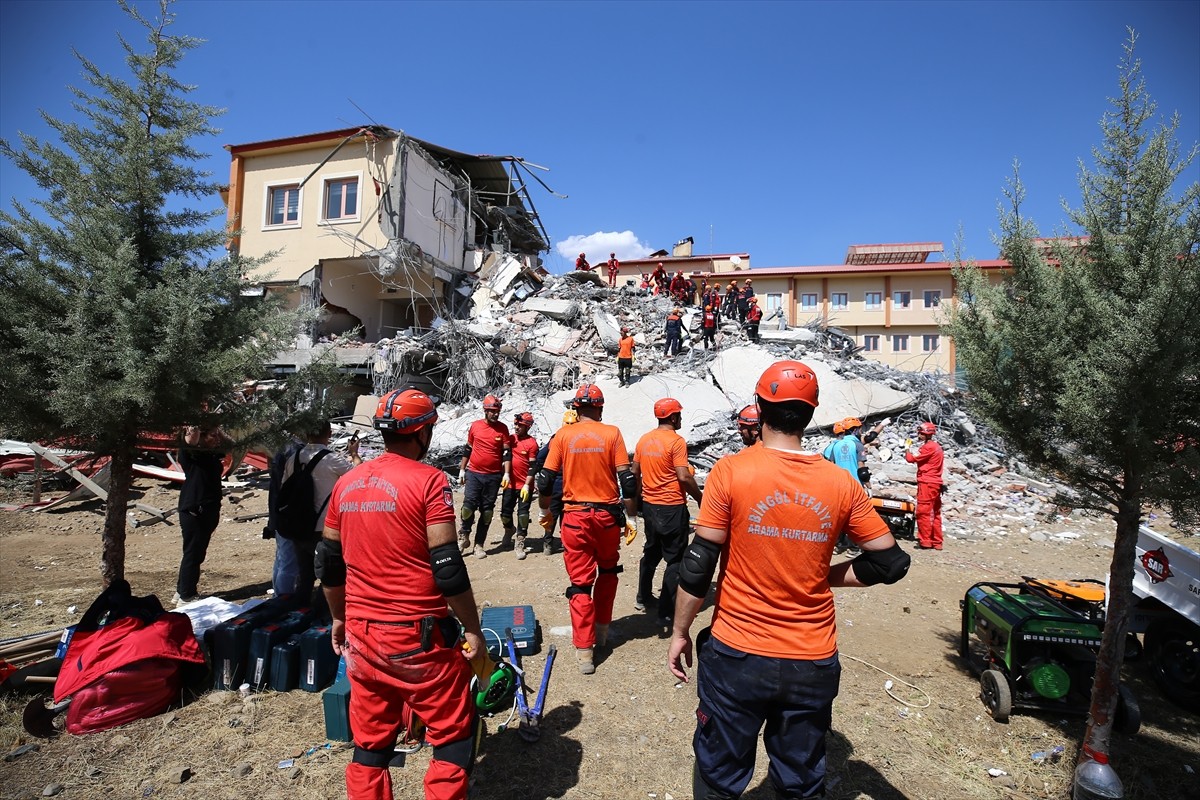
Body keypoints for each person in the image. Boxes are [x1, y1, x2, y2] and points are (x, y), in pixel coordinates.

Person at [668, 361, 911, 800]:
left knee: (719, 772)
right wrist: (825, 576)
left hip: (737, 653)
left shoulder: (731, 471)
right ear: (811, 413)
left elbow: (699, 562)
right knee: (800, 780)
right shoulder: (842, 485)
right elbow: (891, 564)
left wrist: (681, 632)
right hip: (811, 658)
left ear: (760, 407)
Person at [319, 389, 486, 800]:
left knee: (371, 743)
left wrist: (339, 617)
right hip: (419, 638)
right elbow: (447, 565)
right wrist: (473, 628)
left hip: (362, 636)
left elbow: (329, 563)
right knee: (452, 735)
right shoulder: (429, 481)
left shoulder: (347, 483)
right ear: (423, 432)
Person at [536, 383, 637, 675]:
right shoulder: (612, 433)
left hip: (575, 516)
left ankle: (585, 652)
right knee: (607, 571)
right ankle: (602, 632)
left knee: (580, 583)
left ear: (575, 409)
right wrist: (631, 518)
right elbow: (627, 482)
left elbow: (545, 481)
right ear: (600, 408)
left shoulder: (563, 436)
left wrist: (545, 512)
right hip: (606, 517)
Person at [274, 419, 361, 607]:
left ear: (306, 434)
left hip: (298, 524)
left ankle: (299, 611)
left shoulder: (294, 458)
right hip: (323, 527)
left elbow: (284, 487)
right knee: (329, 575)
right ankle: (321, 614)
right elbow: (360, 478)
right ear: (329, 434)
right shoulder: (332, 459)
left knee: (305, 575)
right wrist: (354, 454)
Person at [632, 398, 703, 625]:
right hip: (671, 507)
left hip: (650, 507)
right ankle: (665, 611)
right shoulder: (676, 442)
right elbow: (683, 476)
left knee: (651, 552)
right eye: (679, 415)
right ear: (673, 417)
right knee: (675, 559)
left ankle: (643, 597)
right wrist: (701, 497)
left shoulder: (644, 440)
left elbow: (634, 471)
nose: (680, 418)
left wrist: (638, 500)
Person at [175, 422, 233, 605]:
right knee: (193, 552)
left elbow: (231, 445)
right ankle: (186, 596)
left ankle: (182, 589)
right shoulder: (192, 455)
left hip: (207, 509)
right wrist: (196, 429)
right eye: (212, 436)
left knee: (196, 553)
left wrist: (217, 428)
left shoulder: (212, 454)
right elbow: (188, 443)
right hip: (195, 510)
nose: (217, 439)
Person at [456, 395, 512, 559]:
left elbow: (507, 453)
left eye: (497, 411)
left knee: (487, 512)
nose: (496, 414)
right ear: (485, 411)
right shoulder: (475, 426)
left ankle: (479, 545)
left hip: (493, 476)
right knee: (468, 508)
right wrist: (462, 469)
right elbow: (468, 448)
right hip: (474, 473)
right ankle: (464, 536)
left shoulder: (503, 429)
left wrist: (507, 473)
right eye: (493, 411)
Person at [532, 409, 577, 555]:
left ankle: (552, 543)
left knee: (564, 515)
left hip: (568, 483)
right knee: (558, 514)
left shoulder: (559, 438)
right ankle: (551, 542)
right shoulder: (558, 439)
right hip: (561, 483)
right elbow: (540, 458)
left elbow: (540, 458)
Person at [823, 418, 867, 555]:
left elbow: (830, 466)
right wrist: (868, 485)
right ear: (855, 429)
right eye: (859, 428)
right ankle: (854, 548)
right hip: (854, 486)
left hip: (838, 486)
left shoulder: (835, 446)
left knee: (839, 517)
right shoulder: (858, 445)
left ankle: (838, 545)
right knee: (855, 517)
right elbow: (862, 469)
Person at [499, 412, 539, 560]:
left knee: (523, 515)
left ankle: (520, 541)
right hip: (509, 484)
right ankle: (509, 530)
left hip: (524, 485)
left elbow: (533, 467)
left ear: (527, 427)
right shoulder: (510, 439)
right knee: (504, 514)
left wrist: (527, 485)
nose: (516, 427)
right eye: (515, 424)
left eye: (520, 425)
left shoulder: (532, 443)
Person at [905, 422, 945, 550]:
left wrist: (907, 448)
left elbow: (911, 459)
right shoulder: (936, 446)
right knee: (935, 512)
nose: (919, 435)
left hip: (927, 483)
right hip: (936, 483)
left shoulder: (928, 448)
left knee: (923, 512)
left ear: (926, 434)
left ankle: (926, 541)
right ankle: (937, 542)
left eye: (921, 433)